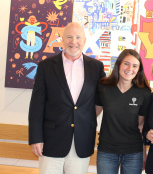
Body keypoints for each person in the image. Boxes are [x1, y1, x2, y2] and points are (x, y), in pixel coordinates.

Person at [28, 22, 105, 174]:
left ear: (84, 41)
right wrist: (36, 138)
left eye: (78, 37)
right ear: (62, 39)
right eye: (69, 37)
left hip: (82, 141)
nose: (73, 41)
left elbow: (101, 100)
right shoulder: (46, 66)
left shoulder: (96, 67)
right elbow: (37, 105)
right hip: (50, 142)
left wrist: (81, 117)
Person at [96, 49, 151, 174]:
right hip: (106, 151)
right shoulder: (103, 87)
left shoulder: (144, 93)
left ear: (138, 70)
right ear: (119, 64)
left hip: (133, 152)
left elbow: (141, 125)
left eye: (135, 66)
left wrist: (143, 153)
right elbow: (93, 113)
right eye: (126, 63)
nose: (130, 68)